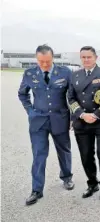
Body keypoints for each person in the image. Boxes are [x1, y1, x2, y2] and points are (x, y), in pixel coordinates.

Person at [18, 44, 74, 206]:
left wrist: (73, 116)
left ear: (53, 58)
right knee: (39, 154)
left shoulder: (65, 73)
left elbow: (72, 96)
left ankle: (67, 177)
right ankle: (36, 189)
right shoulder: (29, 73)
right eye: (41, 61)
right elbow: (22, 94)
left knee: (64, 150)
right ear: (36, 59)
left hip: (60, 118)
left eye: (47, 61)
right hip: (38, 121)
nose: (44, 65)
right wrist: (30, 111)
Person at [68, 46, 100, 200]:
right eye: (83, 57)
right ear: (80, 58)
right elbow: (71, 98)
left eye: (89, 57)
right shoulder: (74, 75)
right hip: (81, 122)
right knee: (86, 155)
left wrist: (95, 115)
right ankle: (92, 183)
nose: (86, 60)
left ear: (96, 58)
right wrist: (81, 114)